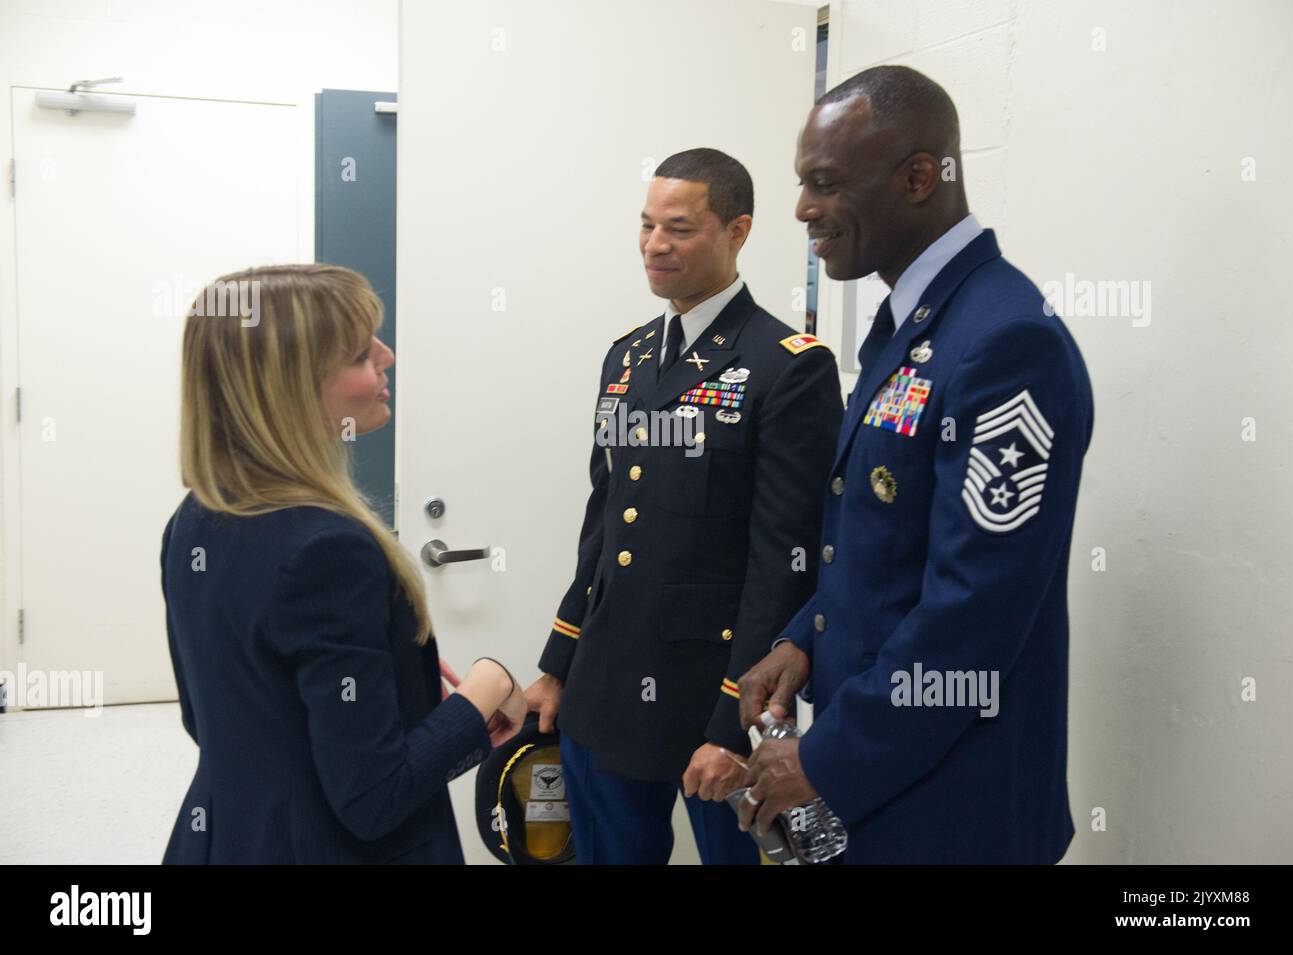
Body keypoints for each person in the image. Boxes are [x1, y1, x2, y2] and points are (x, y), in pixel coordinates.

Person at [737, 66, 1093, 864]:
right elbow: (885, 538)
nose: (802, 209)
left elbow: (975, 610)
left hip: (957, 811)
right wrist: (804, 639)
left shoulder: (1005, 341)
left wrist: (825, 757)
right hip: (891, 789)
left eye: (824, 182)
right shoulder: (916, 325)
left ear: (919, 177)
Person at [524, 148, 843, 864]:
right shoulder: (628, 357)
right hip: (605, 685)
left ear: (738, 231)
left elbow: (785, 559)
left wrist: (737, 721)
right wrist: (557, 661)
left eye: (679, 227)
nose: (655, 245)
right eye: (645, 226)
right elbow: (605, 521)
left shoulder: (787, 366)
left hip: (711, 699)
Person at [160, 264, 526, 864]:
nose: (387, 357)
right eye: (360, 353)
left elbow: (214, 720)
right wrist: (488, 687)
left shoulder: (193, 519)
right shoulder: (328, 551)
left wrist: (378, 699)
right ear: (292, 388)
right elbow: (375, 799)